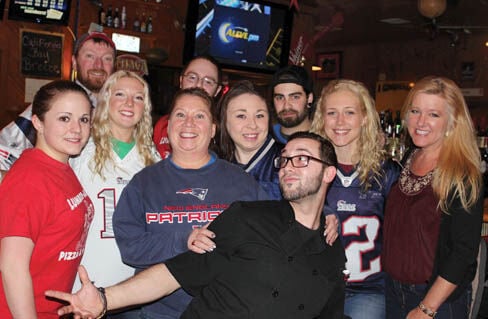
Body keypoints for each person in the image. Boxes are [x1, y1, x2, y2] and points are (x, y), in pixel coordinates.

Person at [46, 131, 347, 319]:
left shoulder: (332, 249)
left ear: (329, 174)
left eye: (302, 159)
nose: (289, 167)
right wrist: (103, 299)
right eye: (285, 160)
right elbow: (174, 273)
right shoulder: (247, 217)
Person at [113, 87, 269, 319]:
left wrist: (323, 213)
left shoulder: (242, 182)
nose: (189, 123)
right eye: (180, 115)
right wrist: (183, 240)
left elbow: (281, 224)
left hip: (226, 312)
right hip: (159, 313)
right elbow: (130, 248)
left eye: (199, 116)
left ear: (213, 129)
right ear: (168, 125)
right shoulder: (144, 183)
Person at [382, 76, 483, 319]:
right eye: (415, 111)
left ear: (452, 122)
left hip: (435, 302)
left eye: (434, 114)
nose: (420, 122)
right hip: (393, 291)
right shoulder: (410, 158)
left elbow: (463, 253)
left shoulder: (462, 174)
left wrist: (427, 308)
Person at [70, 71, 161, 318]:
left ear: (146, 106)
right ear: (106, 99)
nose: (129, 103)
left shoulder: (153, 159)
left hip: (133, 288)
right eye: (120, 94)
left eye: (138, 97)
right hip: (84, 280)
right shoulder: (79, 148)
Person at [0, 80, 94, 318]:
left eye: (83, 119)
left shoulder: (58, 165)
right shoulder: (29, 179)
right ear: (37, 122)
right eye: (64, 118)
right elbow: (12, 267)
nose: (76, 129)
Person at [310, 79, 400, 319]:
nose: (340, 122)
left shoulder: (387, 173)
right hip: (316, 287)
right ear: (321, 119)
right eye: (332, 113)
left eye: (349, 112)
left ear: (365, 118)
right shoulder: (308, 167)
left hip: (368, 289)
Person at [0, 31, 116, 171]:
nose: (98, 65)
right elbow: (4, 148)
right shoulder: (55, 100)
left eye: (107, 58)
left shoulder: (120, 108)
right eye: (90, 56)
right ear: (74, 62)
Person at [216, 80, 283, 200]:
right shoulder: (215, 165)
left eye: (259, 116)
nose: (252, 125)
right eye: (241, 116)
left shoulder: (289, 162)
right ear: (224, 121)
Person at [152, 55, 222, 158]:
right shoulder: (162, 125)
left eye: (208, 81)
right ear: (181, 81)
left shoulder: (224, 134)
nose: (198, 85)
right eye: (192, 78)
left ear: (217, 90)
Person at [270, 65, 315, 144]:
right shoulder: (263, 138)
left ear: (309, 98)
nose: (286, 106)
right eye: (280, 98)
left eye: (295, 97)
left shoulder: (326, 138)